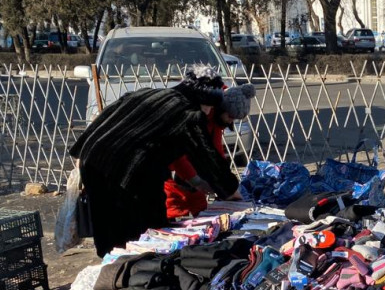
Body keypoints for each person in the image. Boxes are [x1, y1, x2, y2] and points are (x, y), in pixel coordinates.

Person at [69, 65, 242, 257]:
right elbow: (207, 156)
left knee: (106, 221)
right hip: (126, 171)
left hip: (93, 162)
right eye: (209, 105)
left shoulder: (149, 94)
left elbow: (106, 116)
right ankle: (131, 263)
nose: (209, 111)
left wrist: (81, 151)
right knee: (140, 226)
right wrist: (231, 190)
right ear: (202, 99)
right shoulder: (189, 113)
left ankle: (110, 261)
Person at [164, 83, 255, 219]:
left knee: (200, 207)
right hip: (174, 168)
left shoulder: (216, 118)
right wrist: (196, 179)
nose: (230, 121)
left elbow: (216, 152)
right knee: (174, 204)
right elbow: (179, 155)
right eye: (230, 116)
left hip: (191, 169)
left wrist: (225, 184)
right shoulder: (193, 115)